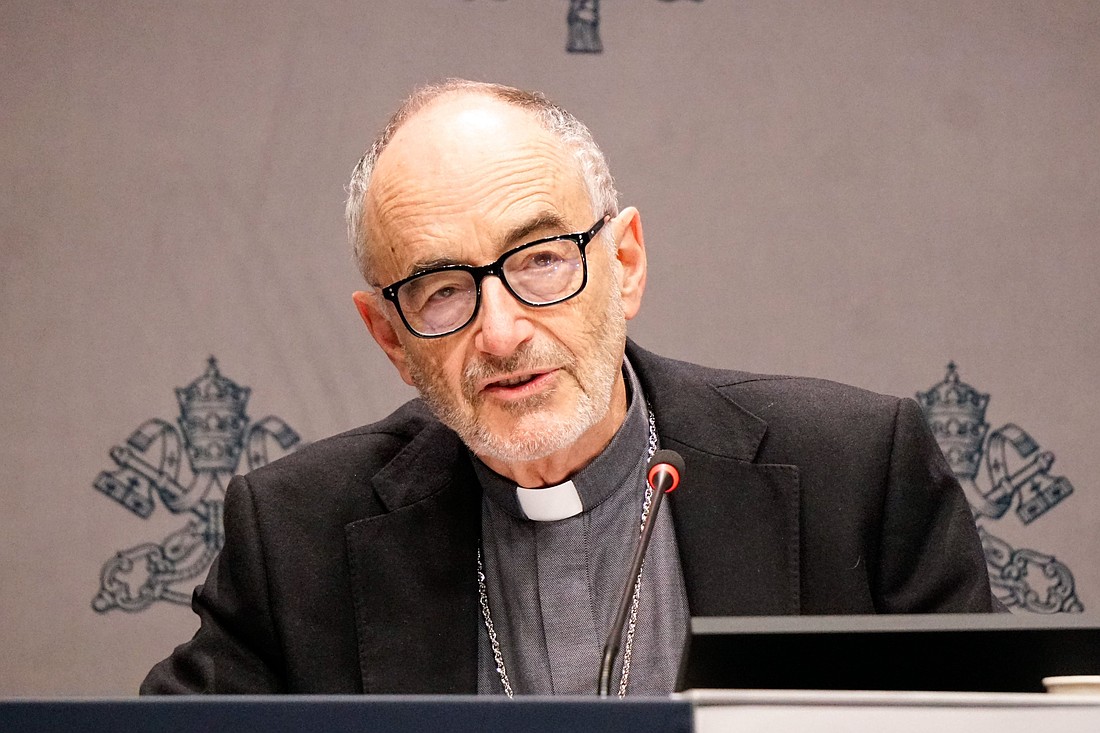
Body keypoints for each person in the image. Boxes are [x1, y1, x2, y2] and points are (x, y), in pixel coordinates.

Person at [141, 79, 995, 696]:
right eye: (442, 289)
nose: (503, 331)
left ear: (623, 264)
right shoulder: (296, 535)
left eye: (542, 259)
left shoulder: (855, 472)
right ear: (390, 336)